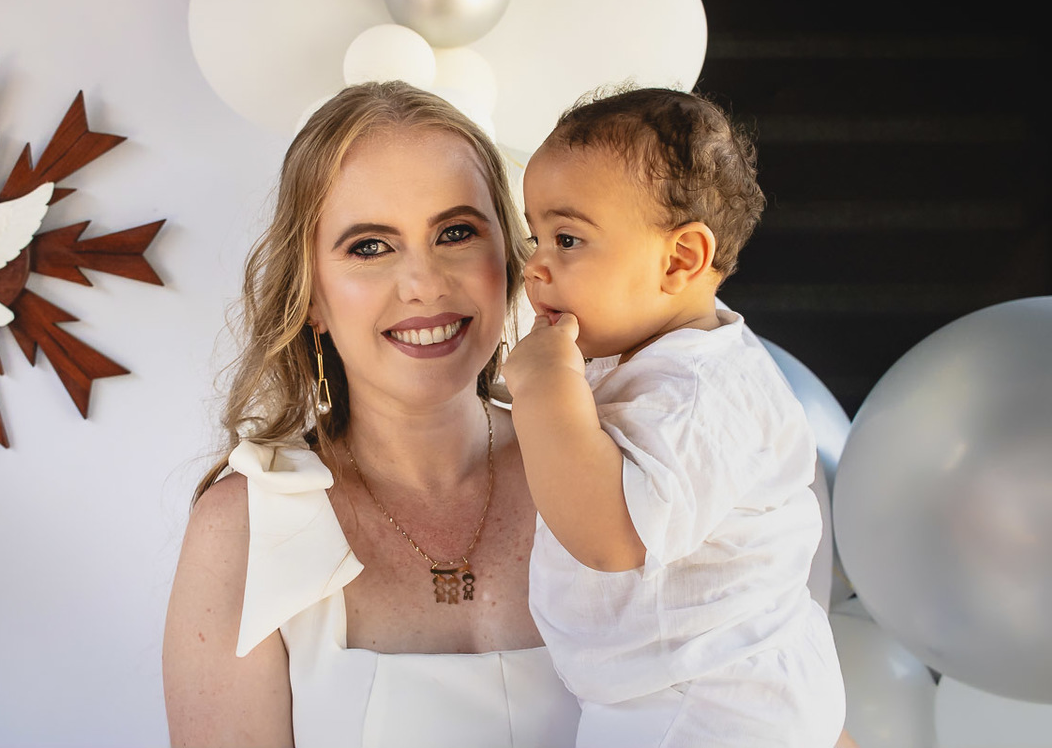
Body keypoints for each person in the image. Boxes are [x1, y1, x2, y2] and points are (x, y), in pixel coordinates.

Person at [161, 81, 582, 747]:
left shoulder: (618, 462)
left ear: (507, 257)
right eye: (369, 246)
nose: (423, 282)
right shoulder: (243, 530)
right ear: (312, 298)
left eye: (455, 232)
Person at [502, 86, 847, 747]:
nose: (535, 264)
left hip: (711, 702)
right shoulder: (642, 359)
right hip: (679, 687)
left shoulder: (702, 390)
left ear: (680, 259)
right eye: (534, 234)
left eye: (567, 237)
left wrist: (545, 387)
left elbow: (609, 534)